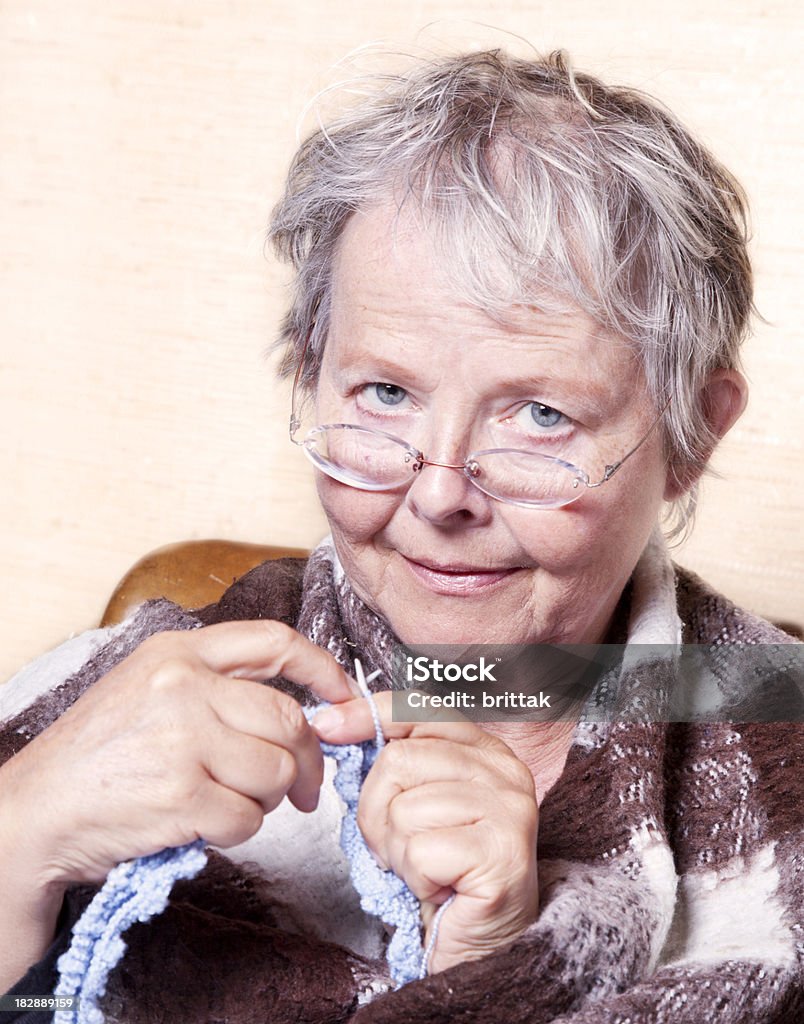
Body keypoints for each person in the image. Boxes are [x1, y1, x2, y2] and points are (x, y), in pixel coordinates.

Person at [0, 49, 801, 1024]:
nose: (440, 494)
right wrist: (15, 837)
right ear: (310, 375)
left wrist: (493, 972)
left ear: (691, 437)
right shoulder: (115, 699)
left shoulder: (778, 735)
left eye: (541, 414)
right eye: (385, 392)